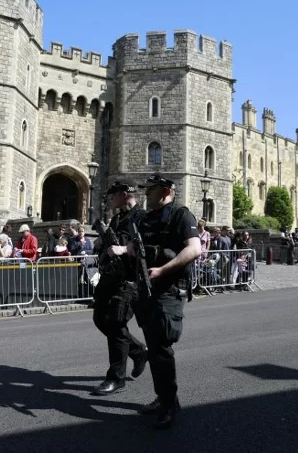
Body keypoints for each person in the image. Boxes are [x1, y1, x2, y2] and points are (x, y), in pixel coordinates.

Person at [132, 173, 201, 430]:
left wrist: (163, 270)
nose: (146, 194)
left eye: (150, 190)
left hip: (169, 289)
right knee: (152, 346)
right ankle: (164, 396)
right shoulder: (147, 219)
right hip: (147, 288)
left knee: (161, 347)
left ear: (165, 191)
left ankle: (169, 405)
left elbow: (194, 249)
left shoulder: (181, 215)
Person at [91, 181, 148, 397]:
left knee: (115, 324)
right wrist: (101, 244)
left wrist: (124, 249)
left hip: (129, 279)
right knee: (100, 318)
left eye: (113, 195)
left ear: (124, 194)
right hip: (110, 277)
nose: (110, 199)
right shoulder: (117, 218)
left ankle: (116, 378)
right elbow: (110, 245)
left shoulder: (141, 217)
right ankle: (138, 351)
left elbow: (146, 246)